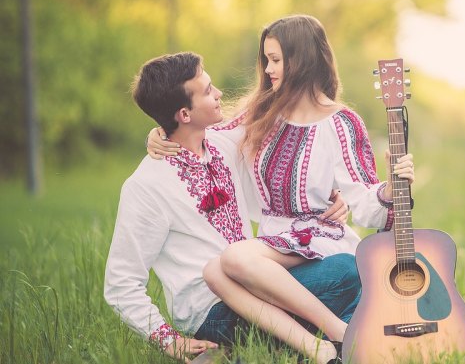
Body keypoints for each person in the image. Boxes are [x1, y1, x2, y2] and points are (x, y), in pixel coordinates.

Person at [147, 14, 415, 350]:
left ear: (301, 60)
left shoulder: (342, 122)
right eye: (266, 60)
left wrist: (390, 189)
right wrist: (160, 131)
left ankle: (338, 332)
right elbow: (207, 137)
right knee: (216, 271)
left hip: (319, 241)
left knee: (233, 260)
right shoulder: (262, 112)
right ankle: (328, 340)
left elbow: (364, 200)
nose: (268, 69)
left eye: (275, 60)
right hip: (271, 248)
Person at [105, 52, 359, 364]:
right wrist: (169, 341)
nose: (219, 94)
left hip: (259, 280)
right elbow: (121, 283)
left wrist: (331, 198)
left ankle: (268, 354)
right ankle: (321, 344)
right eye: (208, 90)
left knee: (350, 269)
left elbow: (284, 135)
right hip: (212, 311)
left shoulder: (224, 144)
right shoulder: (146, 186)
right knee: (348, 275)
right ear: (184, 114)